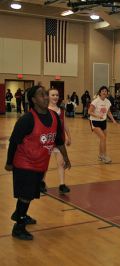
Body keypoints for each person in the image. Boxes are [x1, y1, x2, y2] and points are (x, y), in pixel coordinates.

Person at [4, 85, 71, 240]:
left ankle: (20, 213)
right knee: (25, 196)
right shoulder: (26, 120)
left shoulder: (54, 116)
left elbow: (59, 141)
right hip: (24, 164)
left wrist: (66, 158)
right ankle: (18, 227)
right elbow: (14, 141)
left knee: (29, 195)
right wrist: (9, 162)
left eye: (46, 94)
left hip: (40, 164)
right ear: (33, 100)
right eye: (42, 95)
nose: (46, 97)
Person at [41, 88, 72, 194]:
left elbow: (65, 125)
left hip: (60, 141)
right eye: (53, 95)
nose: (55, 97)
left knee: (61, 163)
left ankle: (62, 184)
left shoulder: (61, 110)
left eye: (57, 95)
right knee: (44, 163)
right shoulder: (44, 110)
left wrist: (69, 136)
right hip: (48, 140)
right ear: (48, 96)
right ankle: (42, 182)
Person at [88, 86, 117, 163]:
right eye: (103, 91)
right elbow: (89, 112)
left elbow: (108, 112)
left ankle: (100, 155)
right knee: (103, 137)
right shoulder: (95, 101)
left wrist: (113, 120)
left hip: (103, 122)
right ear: (100, 92)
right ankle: (104, 156)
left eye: (105, 91)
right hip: (94, 121)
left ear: (107, 93)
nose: (104, 92)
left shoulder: (107, 102)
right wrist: (98, 116)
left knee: (103, 139)